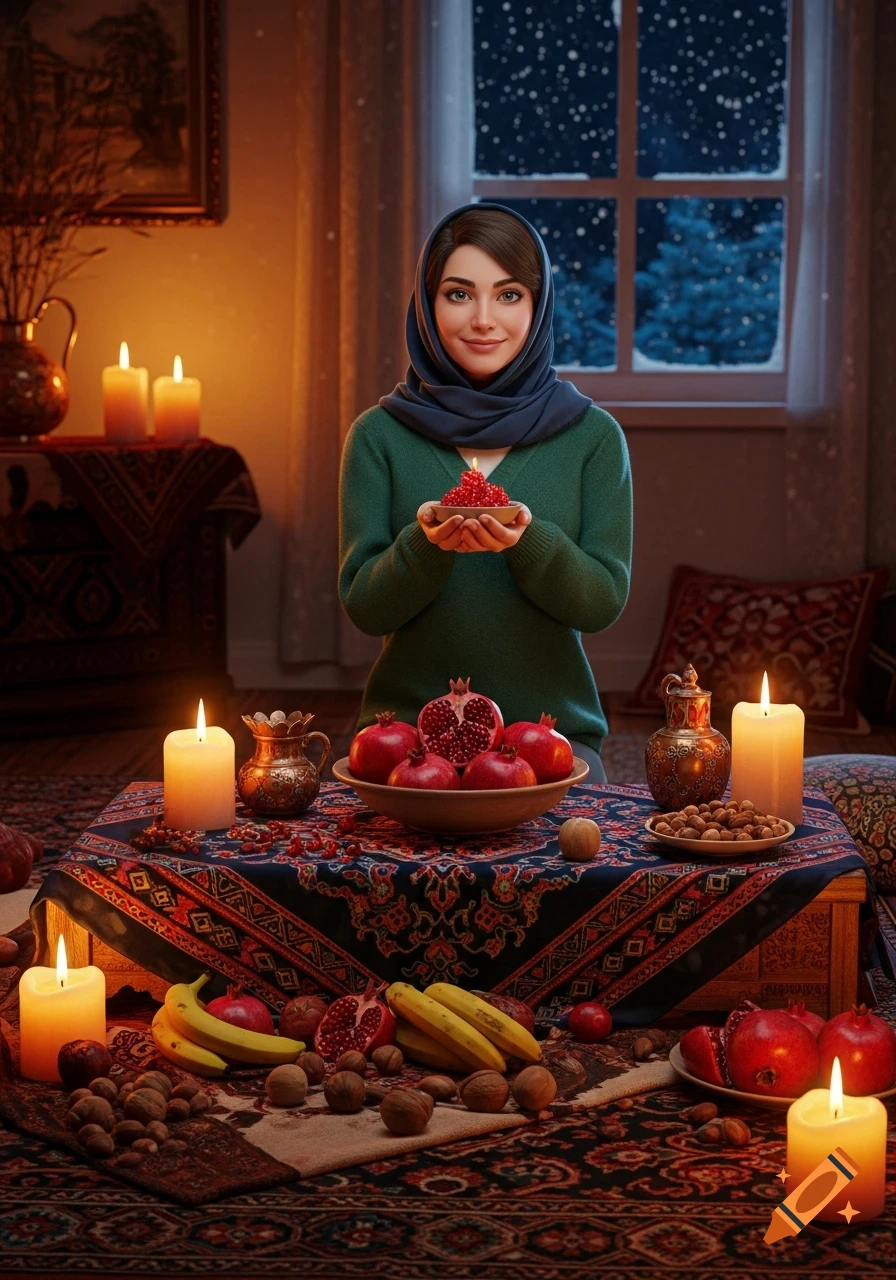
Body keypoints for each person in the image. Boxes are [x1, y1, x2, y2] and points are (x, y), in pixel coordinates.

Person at [338, 202, 633, 782]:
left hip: (552, 740)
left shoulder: (594, 437)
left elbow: (601, 604)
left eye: (508, 295)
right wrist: (423, 546)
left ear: (538, 304)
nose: (482, 320)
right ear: (426, 304)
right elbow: (365, 610)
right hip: (402, 742)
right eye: (457, 294)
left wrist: (530, 540)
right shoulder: (377, 436)